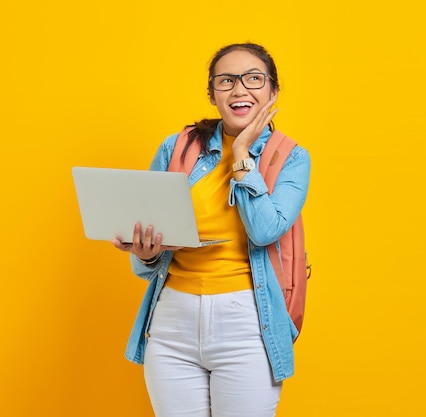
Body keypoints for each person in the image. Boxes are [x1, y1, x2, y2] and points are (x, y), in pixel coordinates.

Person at [112, 42, 311, 417]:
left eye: (254, 78)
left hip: (248, 324)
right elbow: (147, 265)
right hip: (172, 323)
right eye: (226, 81)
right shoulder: (177, 148)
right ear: (212, 94)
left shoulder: (292, 158)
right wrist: (145, 252)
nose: (240, 89)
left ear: (273, 91)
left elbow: (265, 231)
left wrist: (241, 156)